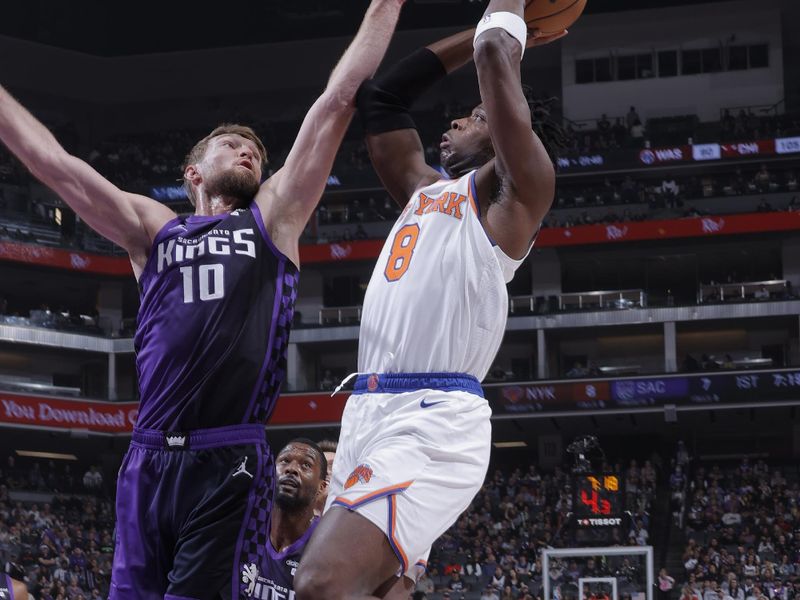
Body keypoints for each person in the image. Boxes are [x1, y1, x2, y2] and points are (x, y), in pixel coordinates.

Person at [0, 1, 406, 597]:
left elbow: (336, 100)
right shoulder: (151, 227)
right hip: (147, 455)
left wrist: (387, 4)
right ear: (193, 170)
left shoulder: (274, 218)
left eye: (256, 151)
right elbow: (54, 166)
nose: (249, 151)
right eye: (232, 143)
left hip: (228, 459)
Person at [295, 1, 562, 598]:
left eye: (471, 117)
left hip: (433, 419)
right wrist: (472, 35)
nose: (451, 126)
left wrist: (511, 16)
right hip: (368, 412)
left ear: (502, 123)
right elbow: (383, 98)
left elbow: (496, 56)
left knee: (319, 583)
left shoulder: (518, 196)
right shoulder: (424, 190)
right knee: (378, 589)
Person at [242, 439, 327, 599]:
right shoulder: (243, 528)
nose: (291, 469)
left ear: (321, 487)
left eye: (306, 465)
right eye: (285, 461)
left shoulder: (326, 546)